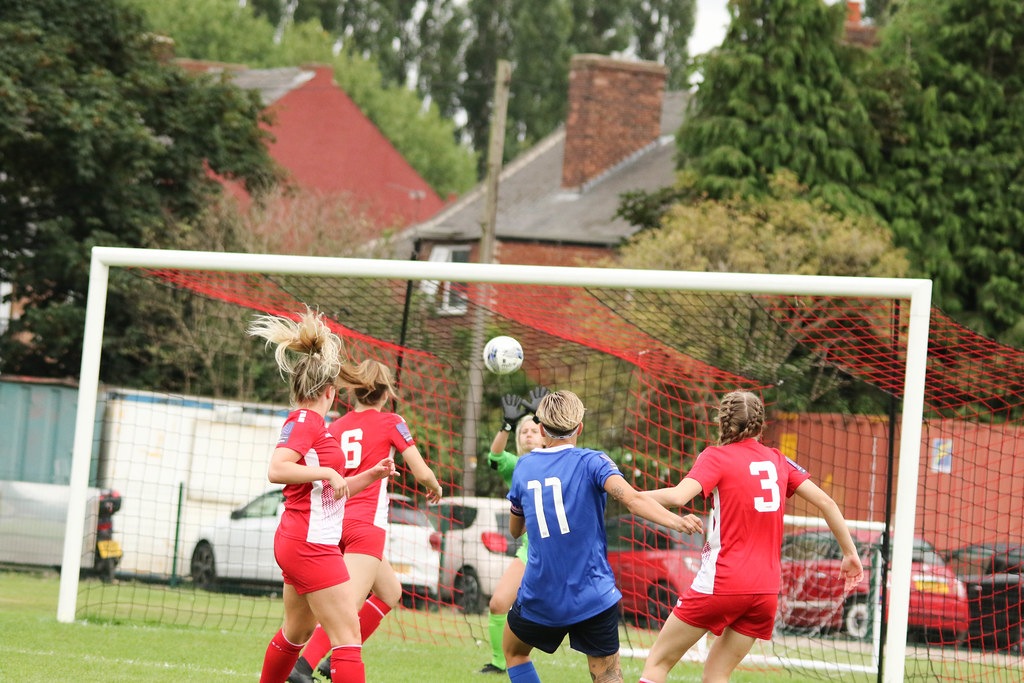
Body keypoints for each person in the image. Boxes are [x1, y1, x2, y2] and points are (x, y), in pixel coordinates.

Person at [638, 391, 864, 683]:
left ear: (724, 423)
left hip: (722, 584)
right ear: (761, 424)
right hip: (765, 591)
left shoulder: (716, 456)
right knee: (717, 674)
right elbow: (828, 504)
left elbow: (679, 496)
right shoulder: (778, 460)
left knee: (657, 664)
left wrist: (630, 496)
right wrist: (850, 554)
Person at [503, 390, 704, 683]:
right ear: (579, 427)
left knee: (515, 653)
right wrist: (677, 521)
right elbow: (633, 500)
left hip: (541, 593)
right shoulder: (592, 462)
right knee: (607, 676)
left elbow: (514, 530)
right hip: (592, 593)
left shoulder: (524, 467)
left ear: (542, 429)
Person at [249, 308, 396, 683]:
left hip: (300, 539)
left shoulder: (314, 425)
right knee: (347, 637)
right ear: (329, 392)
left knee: (295, 634)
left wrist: (371, 474)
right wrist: (329, 470)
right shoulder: (306, 421)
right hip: (311, 544)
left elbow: (334, 489)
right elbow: (277, 469)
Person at [288, 359, 444, 683]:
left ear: (354, 392)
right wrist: (434, 486)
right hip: (366, 527)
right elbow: (420, 470)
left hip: (334, 520)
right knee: (345, 610)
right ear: (386, 393)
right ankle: (302, 667)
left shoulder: (336, 424)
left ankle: (331, 664)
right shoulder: (392, 421)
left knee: (390, 592)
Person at [478, 389, 547, 675]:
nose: (529, 435)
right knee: (497, 603)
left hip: (557, 549)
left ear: (544, 434)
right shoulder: (516, 465)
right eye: (524, 432)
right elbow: (494, 457)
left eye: (534, 429)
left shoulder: (560, 460)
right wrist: (508, 424)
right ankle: (498, 662)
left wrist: (540, 415)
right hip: (529, 548)